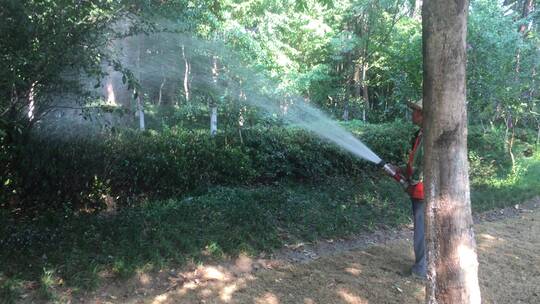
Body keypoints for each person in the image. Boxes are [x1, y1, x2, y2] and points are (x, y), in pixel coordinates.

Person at [387, 99, 425, 278]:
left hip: (423, 191)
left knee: (422, 229)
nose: (412, 114)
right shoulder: (421, 135)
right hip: (420, 189)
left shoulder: (427, 138)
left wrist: (411, 183)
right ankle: (423, 265)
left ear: (424, 115)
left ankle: (421, 269)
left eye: (416, 111)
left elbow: (422, 168)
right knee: (422, 227)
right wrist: (400, 170)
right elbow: (415, 164)